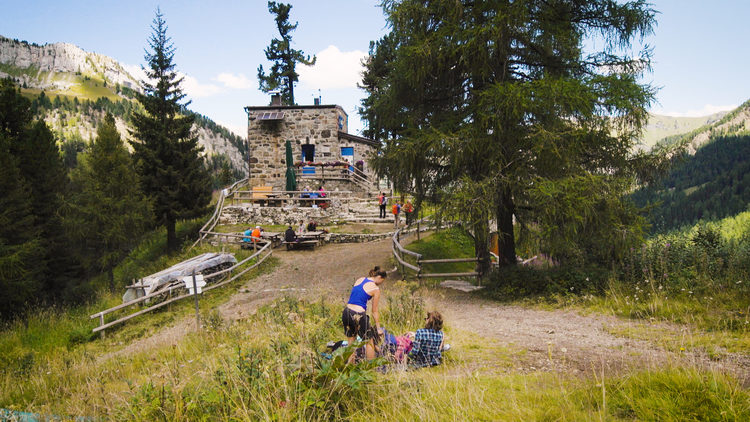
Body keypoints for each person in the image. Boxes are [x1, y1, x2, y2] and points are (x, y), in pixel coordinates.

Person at [342, 266, 388, 361]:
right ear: (379, 277)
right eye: (382, 281)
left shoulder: (360, 279)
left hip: (347, 312)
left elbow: (356, 295)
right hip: (358, 314)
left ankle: (350, 368)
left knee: (351, 342)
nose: (380, 284)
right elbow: (374, 311)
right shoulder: (375, 289)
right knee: (369, 341)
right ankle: (370, 368)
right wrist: (378, 328)